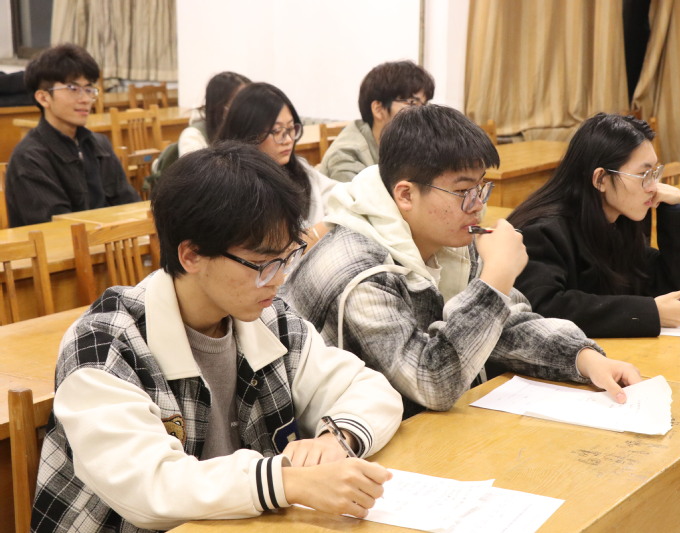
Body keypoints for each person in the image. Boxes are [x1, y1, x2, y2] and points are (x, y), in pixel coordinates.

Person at [31, 142, 403, 532]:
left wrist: (333, 440)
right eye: (261, 264)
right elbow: (151, 488)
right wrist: (286, 481)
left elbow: (370, 390)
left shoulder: (269, 318)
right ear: (191, 255)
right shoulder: (105, 345)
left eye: (287, 257)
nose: (279, 278)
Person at [280, 104, 641, 419]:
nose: (478, 205)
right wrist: (495, 279)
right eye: (463, 191)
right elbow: (431, 381)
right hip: (339, 447)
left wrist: (582, 358)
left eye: (481, 187)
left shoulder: (446, 232)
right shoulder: (360, 273)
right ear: (405, 194)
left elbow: (505, 325)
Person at [507, 113, 680, 338]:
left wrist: (679, 207)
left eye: (654, 173)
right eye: (643, 174)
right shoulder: (542, 230)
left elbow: (670, 288)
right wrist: (650, 313)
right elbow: (544, 309)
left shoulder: (619, 219)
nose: (653, 186)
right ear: (600, 179)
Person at [5, 43, 139, 227]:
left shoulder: (99, 145)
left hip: (107, 242)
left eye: (89, 89)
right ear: (43, 98)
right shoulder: (29, 158)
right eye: (73, 89)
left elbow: (129, 205)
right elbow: (57, 227)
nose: (85, 99)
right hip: (62, 244)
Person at [216, 83, 336, 239]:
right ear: (249, 133)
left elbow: (337, 194)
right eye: (277, 131)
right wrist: (324, 227)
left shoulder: (298, 169)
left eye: (291, 129)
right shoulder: (232, 187)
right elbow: (283, 248)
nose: (288, 140)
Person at [318, 60, 435, 183]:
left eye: (424, 105)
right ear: (378, 109)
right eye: (412, 103)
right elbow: (359, 197)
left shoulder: (408, 143)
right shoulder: (346, 156)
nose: (422, 114)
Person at [178, 71, 250, 156]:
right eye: (239, 101)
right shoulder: (193, 137)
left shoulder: (250, 131)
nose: (247, 108)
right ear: (220, 106)